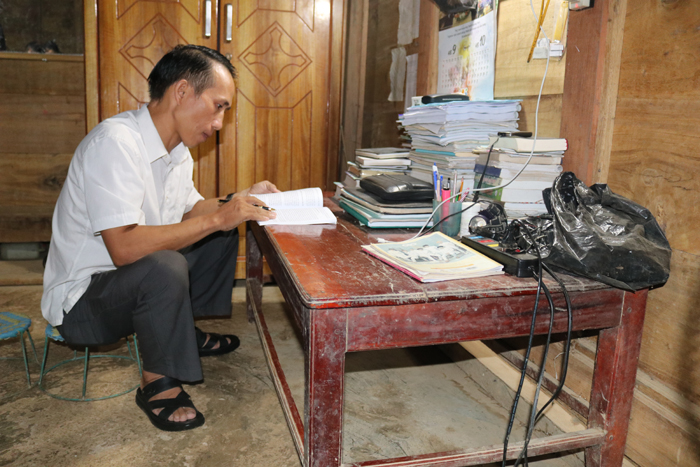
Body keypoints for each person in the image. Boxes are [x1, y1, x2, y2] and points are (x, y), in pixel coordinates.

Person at [41, 44, 280, 432]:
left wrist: (238, 201)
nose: (220, 122)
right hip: (82, 305)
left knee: (220, 233)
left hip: (128, 283)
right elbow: (124, 248)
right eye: (218, 106)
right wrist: (218, 217)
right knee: (166, 264)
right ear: (182, 91)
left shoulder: (177, 151)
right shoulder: (115, 143)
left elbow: (189, 212)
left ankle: (179, 332)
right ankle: (157, 381)